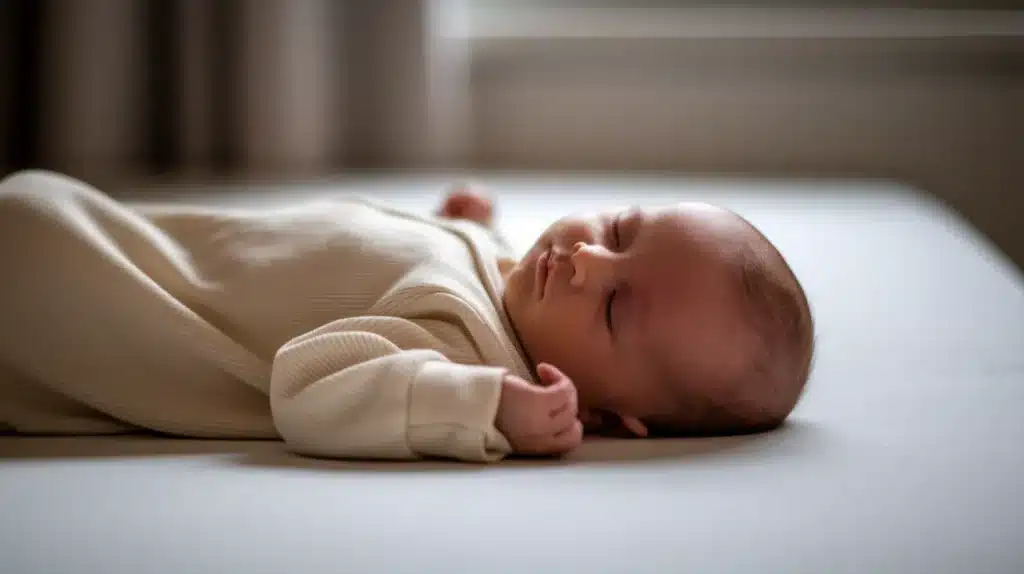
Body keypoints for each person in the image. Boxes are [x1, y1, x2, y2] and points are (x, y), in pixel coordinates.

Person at [0, 170, 813, 462]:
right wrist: (465, 221)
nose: (586, 259)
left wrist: (483, 405)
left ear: (609, 414)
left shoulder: (464, 353)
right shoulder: (501, 284)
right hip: (80, 228)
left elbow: (307, 385)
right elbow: (409, 269)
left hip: (58, 310)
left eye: (613, 306)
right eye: (618, 231)